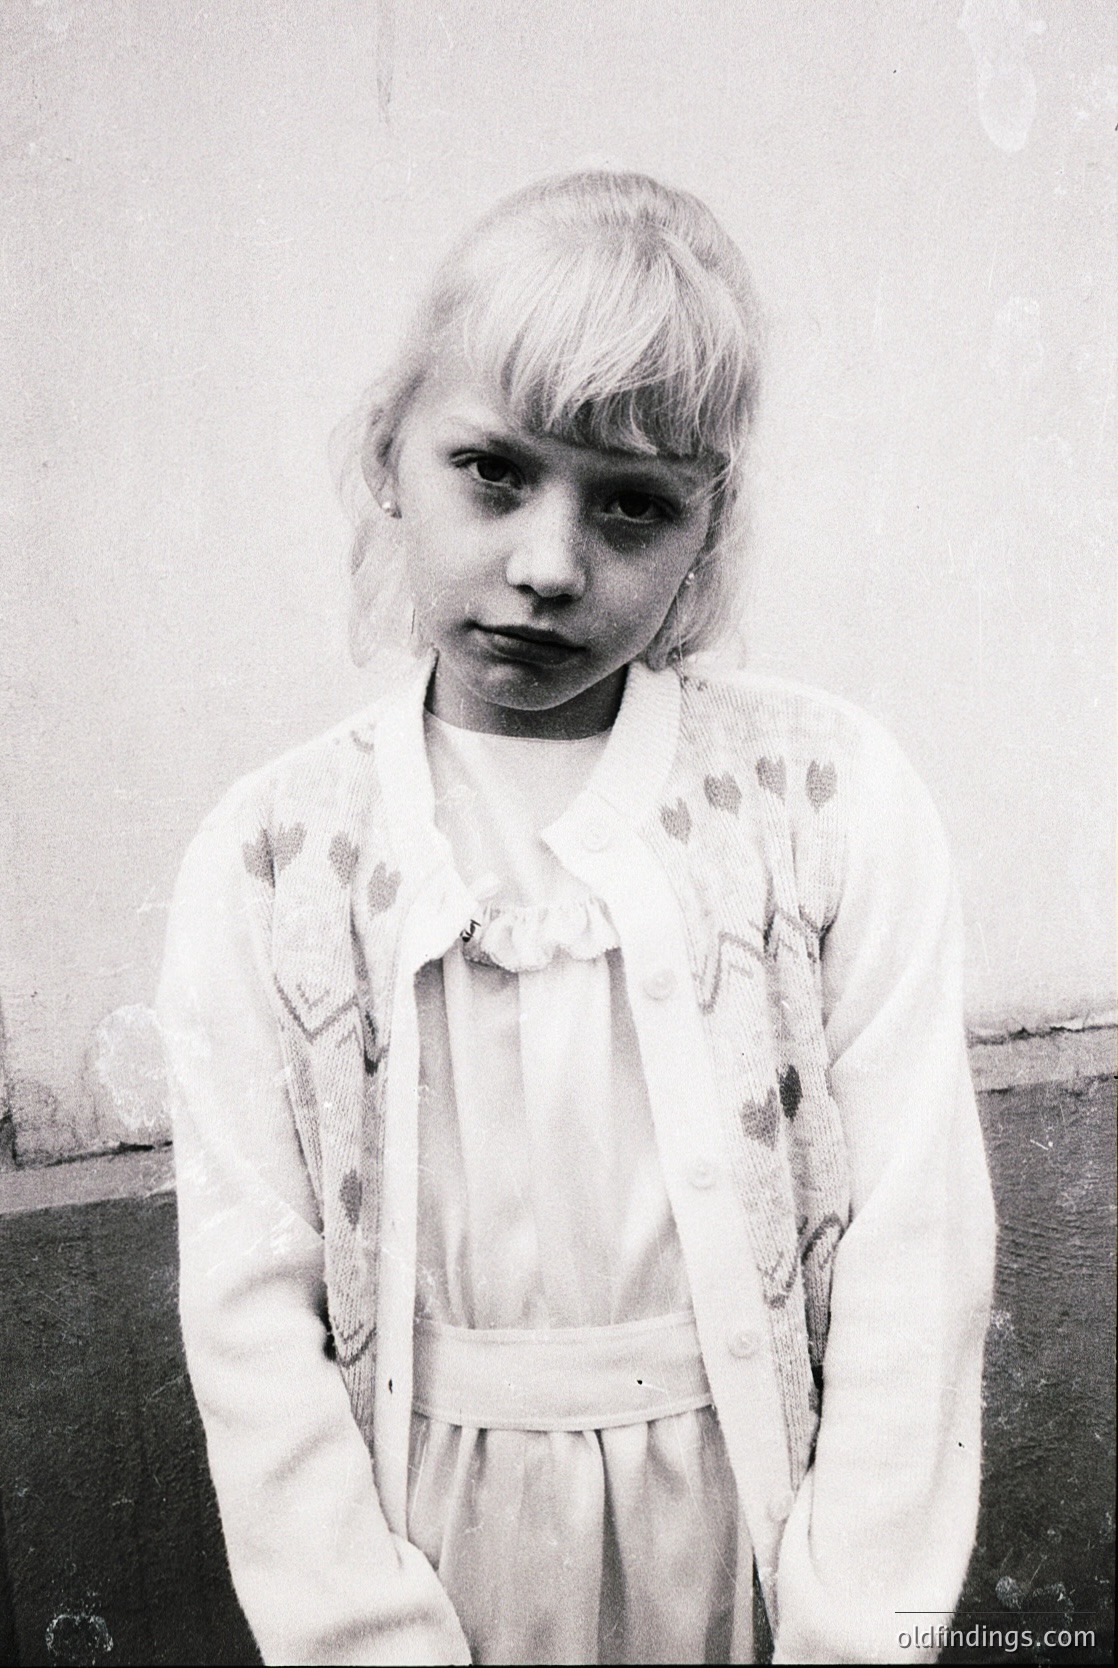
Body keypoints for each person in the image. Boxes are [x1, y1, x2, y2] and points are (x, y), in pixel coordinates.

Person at [157, 170, 996, 1666]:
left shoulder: (826, 804)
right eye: (492, 470)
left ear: (704, 531)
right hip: (425, 1539)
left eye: (631, 505)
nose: (549, 565)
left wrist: (854, 1628)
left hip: (744, 1529)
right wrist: (364, 1639)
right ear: (387, 457)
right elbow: (250, 1308)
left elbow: (914, 1253)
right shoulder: (273, 861)